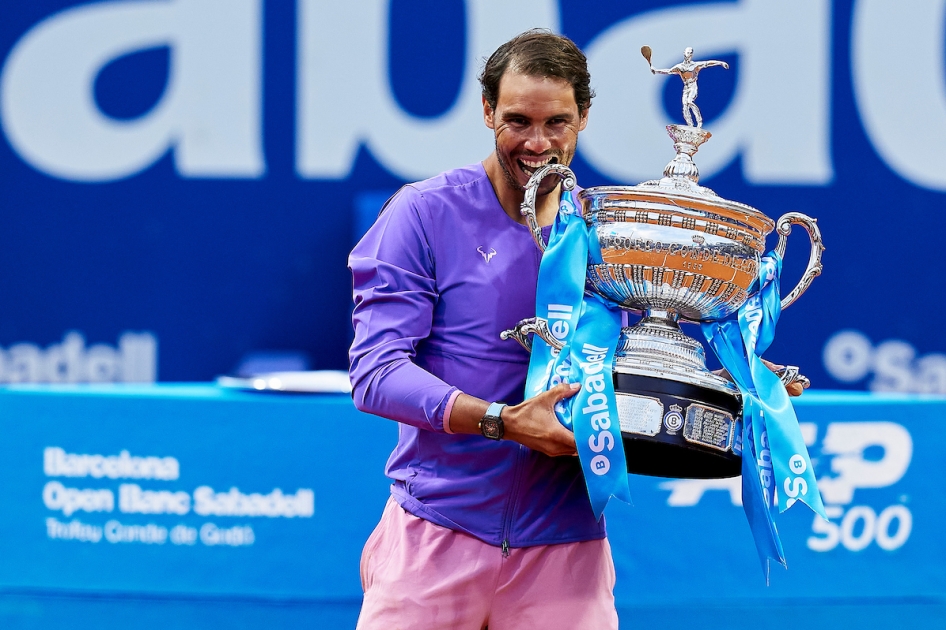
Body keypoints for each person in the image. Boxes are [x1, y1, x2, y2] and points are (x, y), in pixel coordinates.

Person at [348, 30, 619, 629]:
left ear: (584, 119)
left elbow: (630, 376)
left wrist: (728, 399)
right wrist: (503, 421)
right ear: (487, 110)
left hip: (567, 550)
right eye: (517, 120)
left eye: (558, 124)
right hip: (434, 538)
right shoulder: (422, 213)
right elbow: (375, 375)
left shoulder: (609, 237)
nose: (538, 143)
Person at [649, 47, 729, 128]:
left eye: (691, 53)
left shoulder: (695, 65)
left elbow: (708, 63)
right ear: (684, 53)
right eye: (688, 52)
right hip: (686, 88)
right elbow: (669, 71)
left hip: (693, 86)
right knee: (685, 106)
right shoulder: (679, 67)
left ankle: (699, 121)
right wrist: (656, 70)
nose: (689, 54)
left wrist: (720, 63)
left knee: (690, 101)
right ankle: (690, 125)